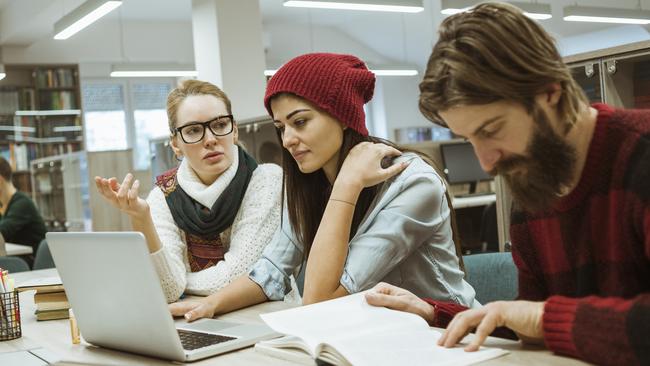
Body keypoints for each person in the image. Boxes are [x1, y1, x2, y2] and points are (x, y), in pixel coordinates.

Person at [365, 3, 650, 366]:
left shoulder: (641, 155)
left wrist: (540, 318)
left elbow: (543, 319)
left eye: (492, 130)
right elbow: (535, 326)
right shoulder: (533, 182)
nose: (486, 162)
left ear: (550, 92)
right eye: (469, 139)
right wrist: (435, 314)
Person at [168, 52, 477, 321]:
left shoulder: (412, 182)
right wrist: (208, 306)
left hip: (447, 336)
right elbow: (272, 270)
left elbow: (320, 299)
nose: (287, 140)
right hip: (369, 336)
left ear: (342, 116)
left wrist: (347, 183)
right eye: (281, 127)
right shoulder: (309, 182)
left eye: (300, 122)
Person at [95, 80, 282, 303]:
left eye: (221, 125)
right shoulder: (163, 196)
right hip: (198, 319)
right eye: (194, 130)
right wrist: (141, 218)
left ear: (235, 131)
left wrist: (180, 280)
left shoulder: (266, 180)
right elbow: (167, 292)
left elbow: (237, 276)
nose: (211, 139)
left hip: (268, 320)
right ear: (175, 144)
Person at [0, 157, 47, 262]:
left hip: (31, 266)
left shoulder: (22, 203)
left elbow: (2, 232)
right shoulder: (3, 205)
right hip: (14, 261)